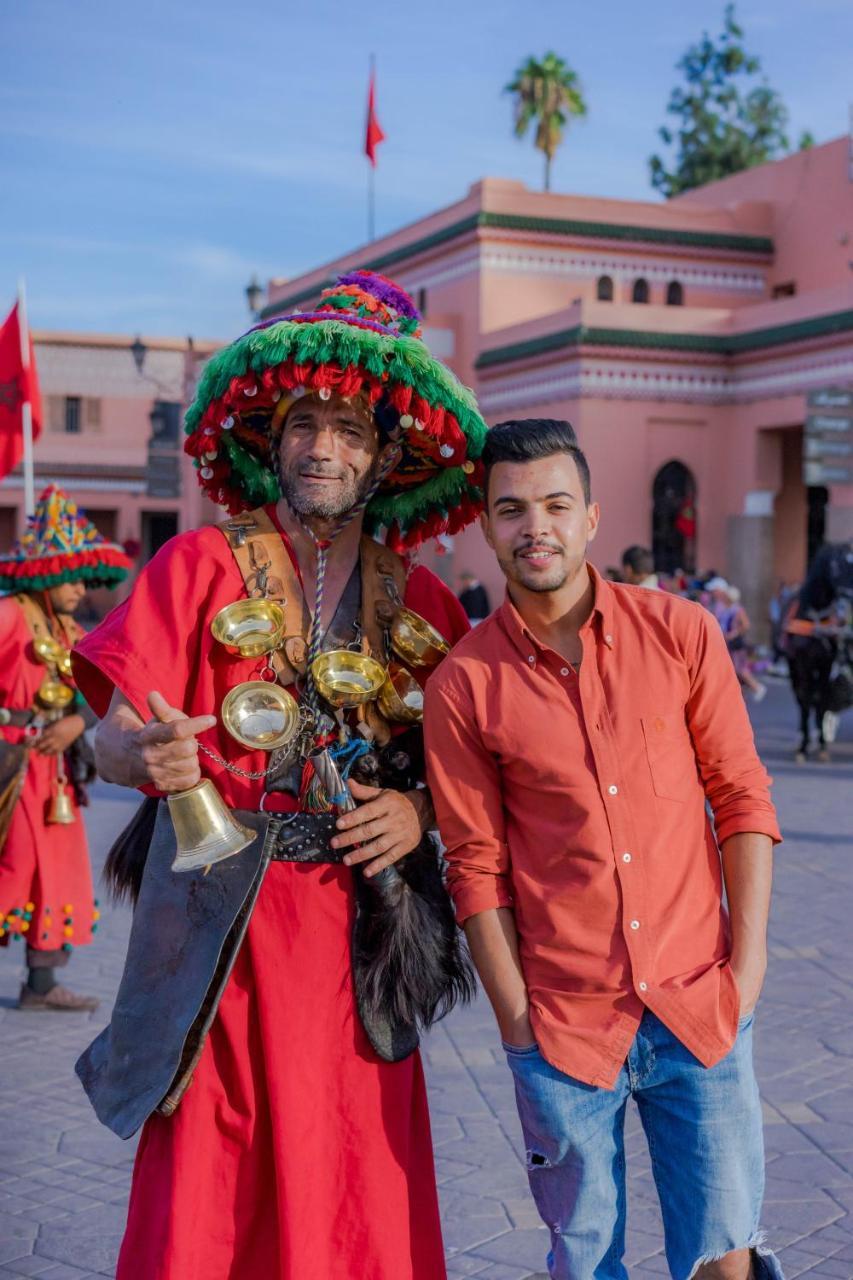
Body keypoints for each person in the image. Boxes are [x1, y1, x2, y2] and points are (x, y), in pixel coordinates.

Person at [72, 271, 487, 1280]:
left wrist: (415, 808)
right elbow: (104, 732)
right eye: (306, 423)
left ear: (388, 452)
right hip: (219, 923)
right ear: (270, 435)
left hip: (359, 933)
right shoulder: (197, 566)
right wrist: (139, 753)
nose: (323, 447)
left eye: (350, 431)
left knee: (354, 1168)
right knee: (210, 1180)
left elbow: (482, 767)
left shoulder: (425, 597)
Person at [424, 419, 784, 1280]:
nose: (533, 527)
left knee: (721, 1251)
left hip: (699, 1006)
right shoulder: (464, 683)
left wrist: (750, 965)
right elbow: (474, 863)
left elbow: (740, 798)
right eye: (510, 509)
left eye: (554, 504)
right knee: (584, 1262)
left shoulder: (682, 634)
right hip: (564, 1026)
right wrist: (517, 1022)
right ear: (485, 526)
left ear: (590, 516)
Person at [0, 485, 130, 1009]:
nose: (81, 588)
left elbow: (102, 689)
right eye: (71, 577)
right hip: (10, 765)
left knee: (54, 875)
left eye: (84, 578)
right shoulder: (9, 615)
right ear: (47, 574)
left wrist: (77, 724)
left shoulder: (72, 629)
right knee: (11, 867)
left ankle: (41, 986)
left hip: (54, 776)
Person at [707, 577, 766, 702]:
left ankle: (757, 687)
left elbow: (745, 625)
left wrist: (734, 633)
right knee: (732, 670)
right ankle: (738, 695)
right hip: (728, 643)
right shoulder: (724, 607)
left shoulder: (736, 609)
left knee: (740, 668)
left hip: (735, 644)